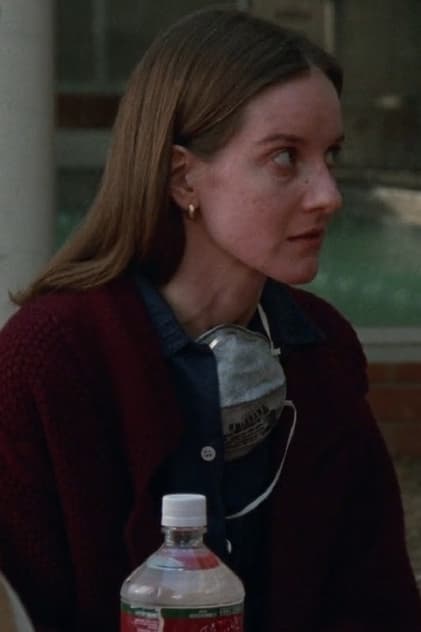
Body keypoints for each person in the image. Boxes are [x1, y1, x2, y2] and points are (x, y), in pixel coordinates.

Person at [0, 8, 420, 632]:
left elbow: (378, 603)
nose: (328, 194)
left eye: (330, 155)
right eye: (285, 157)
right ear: (182, 177)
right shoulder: (50, 359)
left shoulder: (321, 348)